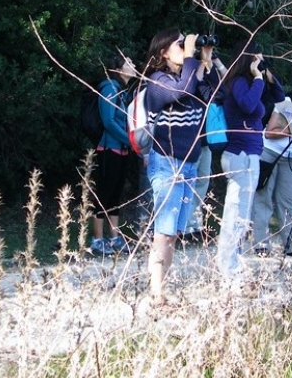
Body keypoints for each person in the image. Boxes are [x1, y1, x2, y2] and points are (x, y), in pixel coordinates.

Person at [144, 29, 212, 304]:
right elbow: (182, 90)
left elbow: (213, 95)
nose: (186, 48)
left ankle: (163, 289)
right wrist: (191, 59)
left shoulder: (189, 76)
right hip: (167, 164)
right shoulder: (157, 81)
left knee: (174, 233)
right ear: (163, 52)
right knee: (164, 231)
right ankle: (156, 292)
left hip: (189, 165)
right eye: (180, 44)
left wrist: (205, 61)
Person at [216, 42, 284, 278]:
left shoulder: (253, 82)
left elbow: (279, 95)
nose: (260, 61)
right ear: (247, 59)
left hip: (250, 154)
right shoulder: (238, 83)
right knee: (236, 213)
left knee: (241, 214)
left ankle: (232, 263)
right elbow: (247, 105)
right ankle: (228, 266)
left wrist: (265, 74)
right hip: (240, 155)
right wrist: (256, 79)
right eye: (257, 57)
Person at [88, 53, 137, 256]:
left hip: (121, 150)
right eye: (129, 62)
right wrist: (130, 141)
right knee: (103, 194)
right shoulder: (109, 88)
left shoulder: (122, 90)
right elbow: (108, 121)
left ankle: (114, 238)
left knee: (116, 194)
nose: (133, 64)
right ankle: (97, 241)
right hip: (108, 150)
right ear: (118, 69)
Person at [181, 52, 227, 245]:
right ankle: (185, 227)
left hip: (205, 140)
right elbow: (213, 95)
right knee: (189, 183)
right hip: (192, 138)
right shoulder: (190, 78)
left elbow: (225, 89)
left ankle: (194, 226)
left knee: (202, 183)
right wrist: (200, 64)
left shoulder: (209, 77)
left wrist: (215, 61)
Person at [251, 95, 292, 257]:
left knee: (288, 200)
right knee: (263, 198)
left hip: (290, 157)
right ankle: (261, 244)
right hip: (268, 152)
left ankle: (291, 245)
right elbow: (270, 133)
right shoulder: (286, 102)